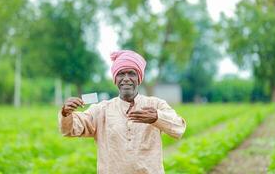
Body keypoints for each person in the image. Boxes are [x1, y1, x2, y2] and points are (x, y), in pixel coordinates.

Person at [58, 50, 186, 174]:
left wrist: (157, 117)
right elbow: (71, 129)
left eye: (131, 73)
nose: (126, 79)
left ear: (139, 78)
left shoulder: (155, 105)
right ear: (115, 79)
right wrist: (66, 113)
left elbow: (179, 128)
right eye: (121, 74)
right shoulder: (102, 110)